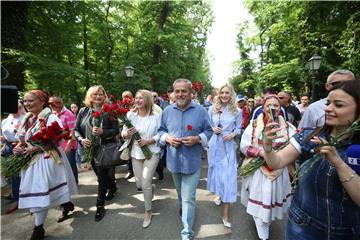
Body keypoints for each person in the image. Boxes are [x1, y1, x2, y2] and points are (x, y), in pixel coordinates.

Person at [262, 80, 360, 239]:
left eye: (339, 105)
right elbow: (276, 162)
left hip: (347, 234)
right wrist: (267, 145)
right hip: (301, 228)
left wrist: (339, 164)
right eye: (328, 103)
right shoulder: (309, 136)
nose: (328, 109)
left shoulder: (355, 150)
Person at [13, 90, 77, 240]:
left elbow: (59, 140)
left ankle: (38, 228)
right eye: (25, 101)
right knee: (44, 191)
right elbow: (23, 140)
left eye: (31, 100)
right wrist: (19, 147)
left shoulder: (51, 117)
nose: (27, 104)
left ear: (42, 101)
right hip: (31, 162)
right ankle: (66, 204)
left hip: (48, 160)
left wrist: (35, 148)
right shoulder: (26, 118)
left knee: (41, 192)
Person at [159, 78, 213, 240]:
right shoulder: (167, 111)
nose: (180, 94)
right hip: (173, 162)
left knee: (189, 197)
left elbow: (209, 131)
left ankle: (187, 233)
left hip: (192, 162)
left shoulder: (201, 111)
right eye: (177, 91)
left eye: (184, 91)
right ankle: (184, 208)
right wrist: (167, 138)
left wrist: (197, 139)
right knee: (180, 193)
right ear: (173, 93)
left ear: (191, 93)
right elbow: (161, 131)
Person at [240, 95, 296, 240]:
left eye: (275, 105)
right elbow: (244, 146)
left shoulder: (289, 128)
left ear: (280, 108)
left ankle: (266, 221)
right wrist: (263, 154)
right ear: (263, 108)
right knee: (260, 200)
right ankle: (262, 230)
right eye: (268, 105)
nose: (272, 108)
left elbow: (295, 147)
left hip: (279, 171)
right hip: (259, 170)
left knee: (271, 201)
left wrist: (281, 155)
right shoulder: (253, 125)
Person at [74, 85, 119, 222]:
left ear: (104, 96)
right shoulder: (83, 111)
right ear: (90, 96)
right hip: (89, 150)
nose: (98, 97)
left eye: (100, 94)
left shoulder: (109, 111)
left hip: (104, 148)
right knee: (101, 175)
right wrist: (81, 140)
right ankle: (112, 187)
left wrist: (103, 132)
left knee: (102, 177)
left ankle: (100, 205)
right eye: (95, 94)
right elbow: (76, 130)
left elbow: (116, 130)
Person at [121, 89, 162, 228]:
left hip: (152, 153)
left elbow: (161, 133)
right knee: (139, 185)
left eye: (141, 98)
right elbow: (123, 133)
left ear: (148, 101)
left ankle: (148, 211)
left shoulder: (156, 116)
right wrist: (127, 134)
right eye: (136, 98)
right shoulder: (130, 115)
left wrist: (150, 140)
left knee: (144, 184)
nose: (137, 100)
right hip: (136, 153)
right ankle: (151, 187)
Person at [207, 84, 242, 228]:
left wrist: (233, 134)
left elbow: (239, 128)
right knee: (217, 172)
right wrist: (212, 129)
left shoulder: (237, 111)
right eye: (222, 93)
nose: (224, 95)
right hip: (214, 145)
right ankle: (219, 194)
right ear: (219, 94)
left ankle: (226, 214)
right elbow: (207, 125)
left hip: (228, 148)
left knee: (228, 176)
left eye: (227, 93)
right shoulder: (212, 109)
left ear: (231, 94)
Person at [1, 100, 26, 214]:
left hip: (21, 147)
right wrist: (3, 142)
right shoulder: (5, 120)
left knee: (17, 175)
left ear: (20, 106)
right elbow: (6, 136)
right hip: (8, 148)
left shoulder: (26, 118)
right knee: (11, 174)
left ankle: (17, 199)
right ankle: (15, 193)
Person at [122, 90, 136, 181]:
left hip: (137, 132)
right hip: (126, 133)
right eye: (124, 97)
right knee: (128, 152)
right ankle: (130, 171)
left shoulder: (136, 106)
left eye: (128, 96)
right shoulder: (121, 108)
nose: (126, 99)